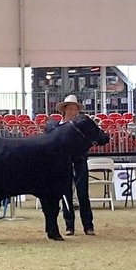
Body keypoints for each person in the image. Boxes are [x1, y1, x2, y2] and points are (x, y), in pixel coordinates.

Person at [47, 94, 93, 236]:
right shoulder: (57, 127)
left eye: (75, 109)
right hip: (63, 164)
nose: (73, 112)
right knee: (66, 195)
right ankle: (69, 226)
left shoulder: (82, 128)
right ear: (65, 110)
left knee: (83, 194)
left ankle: (88, 226)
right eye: (71, 109)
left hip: (79, 162)